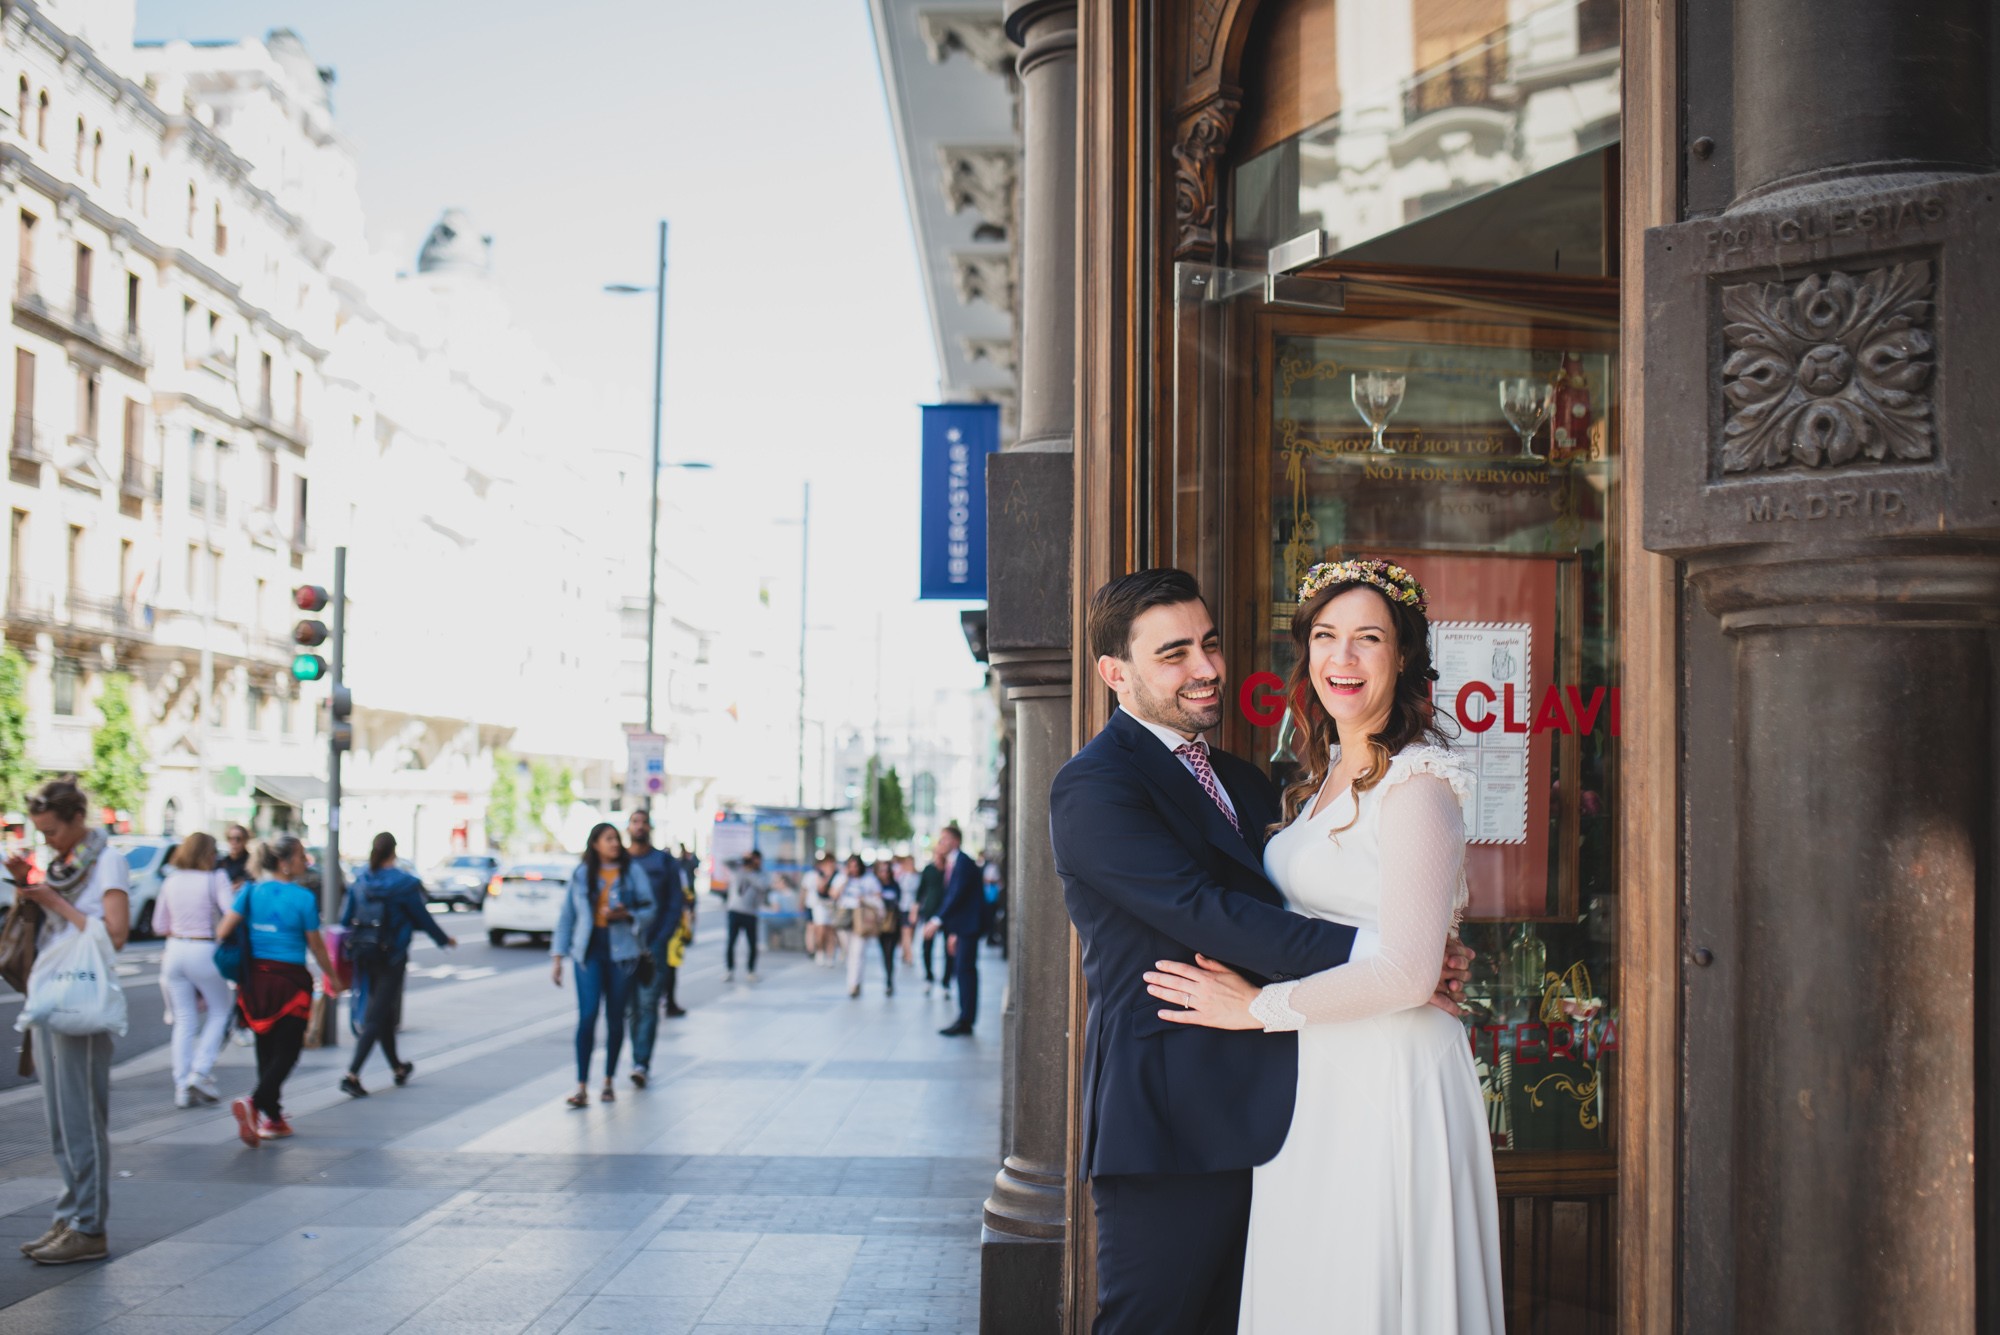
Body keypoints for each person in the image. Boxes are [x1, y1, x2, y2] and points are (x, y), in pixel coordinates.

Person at [1049, 567, 1471, 1335]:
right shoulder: (1095, 787)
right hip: (1171, 1121)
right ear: (1116, 673)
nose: (1206, 668)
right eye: (1173, 653)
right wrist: (1390, 954)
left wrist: (1403, 955)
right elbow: (1204, 911)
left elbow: (1304, 899)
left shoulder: (1250, 782)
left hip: (1296, 1109)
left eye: (1208, 644)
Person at [5, 779, 130, 1265]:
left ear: (78, 820)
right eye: (41, 832)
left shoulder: (108, 861)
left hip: (81, 1001)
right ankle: (70, 1213)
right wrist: (27, 885)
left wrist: (52, 901)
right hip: (50, 996)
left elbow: (116, 934)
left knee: (82, 1118)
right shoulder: (62, 866)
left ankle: (89, 1225)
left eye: (53, 830)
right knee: (59, 1119)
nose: (48, 841)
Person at [214, 835, 341, 1148]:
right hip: (290, 982)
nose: (305, 862)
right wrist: (333, 978)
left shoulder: (250, 891)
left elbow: (222, 931)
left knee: (266, 1048)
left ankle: (273, 1117)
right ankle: (255, 1103)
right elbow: (315, 944)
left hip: (255, 981)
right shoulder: (303, 898)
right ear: (284, 863)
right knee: (288, 1052)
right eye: (300, 856)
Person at [338, 832, 456, 1098]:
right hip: (392, 956)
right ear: (395, 851)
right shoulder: (404, 884)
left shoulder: (360, 881)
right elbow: (422, 918)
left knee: (385, 1013)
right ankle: (352, 1074)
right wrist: (444, 941)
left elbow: (345, 919)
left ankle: (397, 1067)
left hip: (364, 953)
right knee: (377, 1014)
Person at [551, 822, 654, 1107]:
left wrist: (628, 914)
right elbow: (567, 917)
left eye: (616, 839)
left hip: (622, 953)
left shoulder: (632, 872)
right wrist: (558, 957)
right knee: (587, 1016)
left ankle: (608, 1081)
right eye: (608, 839)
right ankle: (581, 1085)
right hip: (588, 950)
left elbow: (650, 907)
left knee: (615, 1017)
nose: (614, 844)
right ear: (594, 843)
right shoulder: (582, 874)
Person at [152, 832, 234, 1108]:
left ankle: (181, 1086)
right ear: (208, 854)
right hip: (205, 948)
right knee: (220, 1011)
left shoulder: (172, 880)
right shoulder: (215, 878)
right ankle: (200, 1071)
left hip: (175, 949)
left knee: (184, 1019)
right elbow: (231, 912)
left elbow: (159, 925)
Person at [624, 807, 685, 1087]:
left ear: (649, 827)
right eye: (634, 822)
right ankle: (637, 1055)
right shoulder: (619, 860)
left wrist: (662, 937)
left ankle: (641, 1062)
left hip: (655, 944)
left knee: (648, 1004)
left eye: (643, 822)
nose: (639, 827)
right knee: (629, 1007)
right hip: (623, 946)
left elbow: (675, 903)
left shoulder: (664, 862)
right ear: (628, 827)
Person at [923, 825, 983, 1037]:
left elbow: (956, 896)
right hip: (961, 928)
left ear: (956, 841)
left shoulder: (964, 863)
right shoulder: (952, 864)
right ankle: (964, 1017)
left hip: (968, 927)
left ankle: (966, 1020)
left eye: (945, 839)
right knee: (962, 970)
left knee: (965, 971)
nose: (941, 843)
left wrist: (937, 921)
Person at [835, 854, 884, 999]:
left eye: (856, 866)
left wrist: (865, 899)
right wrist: (844, 879)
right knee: (849, 952)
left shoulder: (869, 880)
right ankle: (853, 980)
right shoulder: (842, 878)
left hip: (862, 918)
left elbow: (878, 898)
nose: (853, 869)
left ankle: (853, 984)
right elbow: (833, 894)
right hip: (845, 917)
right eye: (850, 866)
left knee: (857, 953)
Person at [723, 850, 770, 983]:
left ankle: (751, 970)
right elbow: (725, 860)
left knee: (752, 943)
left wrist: (750, 872)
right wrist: (742, 857)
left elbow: (763, 886)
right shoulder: (738, 869)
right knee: (731, 942)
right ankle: (729, 969)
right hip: (735, 911)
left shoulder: (760, 874)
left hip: (750, 913)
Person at [914, 841, 951, 996]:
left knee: (948, 948)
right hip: (930, 912)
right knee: (926, 946)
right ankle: (929, 976)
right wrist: (915, 910)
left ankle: (946, 981)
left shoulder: (950, 870)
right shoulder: (929, 870)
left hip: (947, 912)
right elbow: (920, 890)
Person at [871, 856, 903, 996]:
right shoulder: (875, 885)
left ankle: (889, 979)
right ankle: (888, 977)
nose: (884, 874)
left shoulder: (895, 885)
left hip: (894, 923)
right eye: (881, 871)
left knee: (890, 952)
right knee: (885, 952)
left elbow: (899, 902)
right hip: (880, 924)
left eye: (886, 871)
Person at [806, 850, 838, 965]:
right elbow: (821, 889)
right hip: (820, 905)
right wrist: (826, 878)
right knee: (820, 930)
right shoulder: (818, 874)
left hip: (832, 906)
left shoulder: (838, 874)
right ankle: (820, 951)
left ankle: (830, 955)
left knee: (830, 931)